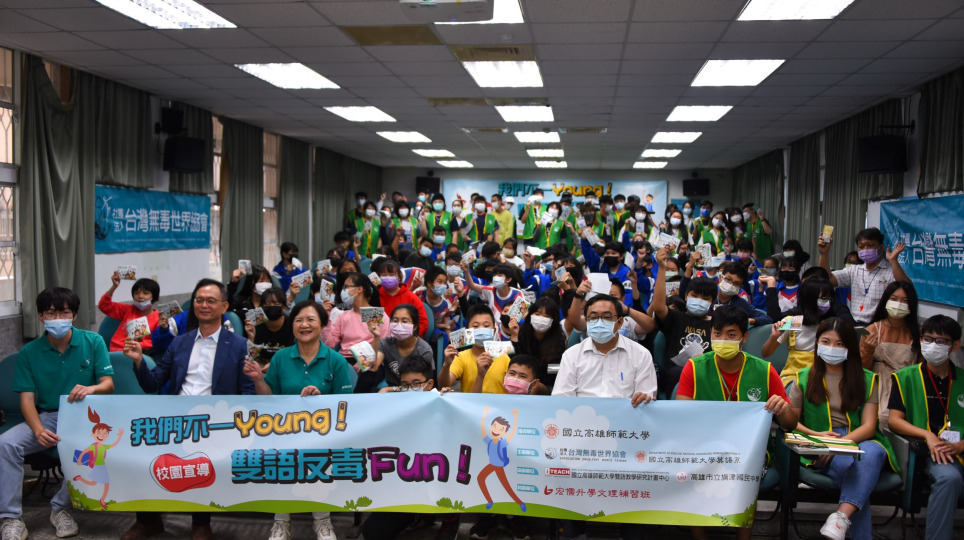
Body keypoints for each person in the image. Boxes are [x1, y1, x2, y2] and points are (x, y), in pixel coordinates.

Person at [122, 279, 254, 540]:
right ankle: (148, 520)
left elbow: (247, 391)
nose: (204, 305)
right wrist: (138, 361)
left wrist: (235, 425)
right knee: (139, 451)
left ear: (224, 306)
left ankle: (200, 523)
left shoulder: (238, 344)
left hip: (214, 422)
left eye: (211, 301)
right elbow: (153, 383)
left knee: (200, 459)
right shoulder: (179, 342)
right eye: (199, 300)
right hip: (175, 418)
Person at [0, 288, 114, 540]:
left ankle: (60, 508)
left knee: (96, 451)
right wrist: (38, 430)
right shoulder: (29, 353)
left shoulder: (93, 342)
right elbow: (26, 399)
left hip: (85, 418)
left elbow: (108, 384)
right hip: (49, 417)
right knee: (6, 444)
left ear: (74, 315)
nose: (58, 319)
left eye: (64, 313)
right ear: (41, 317)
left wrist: (91, 388)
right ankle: (10, 518)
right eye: (51, 313)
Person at [675, 304, 797, 540]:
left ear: (744, 337)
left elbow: (790, 423)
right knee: (691, 467)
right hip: (703, 448)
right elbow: (681, 414)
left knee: (745, 471)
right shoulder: (694, 367)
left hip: (750, 452)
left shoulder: (764, 370)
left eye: (731, 334)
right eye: (717, 333)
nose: (723, 340)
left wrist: (783, 408)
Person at [243, 300, 351, 540]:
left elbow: (346, 405)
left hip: (324, 433)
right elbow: (268, 400)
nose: (304, 325)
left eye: (311, 320)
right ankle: (281, 521)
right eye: (299, 320)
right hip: (284, 432)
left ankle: (322, 519)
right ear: (292, 326)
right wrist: (258, 379)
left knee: (319, 457)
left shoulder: (336, 360)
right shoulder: (281, 358)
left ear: (323, 324)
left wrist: (321, 400)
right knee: (281, 457)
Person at [551, 293, 656, 540]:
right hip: (581, 441)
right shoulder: (572, 355)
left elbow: (647, 398)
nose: (599, 322)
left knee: (638, 483)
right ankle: (575, 533)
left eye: (607, 317)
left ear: (619, 322)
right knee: (568, 479)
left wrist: (645, 398)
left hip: (626, 440)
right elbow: (562, 402)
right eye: (593, 317)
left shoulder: (640, 354)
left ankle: (630, 534)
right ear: (586, 321)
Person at [789, 318, 896, 540]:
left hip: (860, 439)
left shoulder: (867, 379)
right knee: (852, 468)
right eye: (826, 342)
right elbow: (791, 422)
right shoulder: (803, 377)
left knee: (873, 453)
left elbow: (869, 426)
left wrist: (840, 444)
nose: (832, 348)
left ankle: (840, 517)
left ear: (850, 347)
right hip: (821, 440)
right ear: (817, 343)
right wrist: (819, 438)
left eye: (840, 344)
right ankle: (845, 524)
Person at [888, 315, 963, 540]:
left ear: (955, 345)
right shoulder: (905, 377)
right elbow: (894, 420)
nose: (933, 345)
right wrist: (927, 435)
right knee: (949, 478)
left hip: (959, 448)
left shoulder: (962, 379)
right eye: (928, 339)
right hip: (932, 452)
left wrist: (961, 445)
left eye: (941, 341)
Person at [652, 245, 717, 397]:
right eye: (695, 295)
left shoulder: (717, 324)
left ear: (712, 303)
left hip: (707, 375)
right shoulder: (676, 317)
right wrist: (661, 268)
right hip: (676, 375)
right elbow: (659, 307)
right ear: (686, 296)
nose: (699, 300)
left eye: (705, 298)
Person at [860, 281, 920, 426]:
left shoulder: (918, 332)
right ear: (886, 300)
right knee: (881, 418)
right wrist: (868, 350)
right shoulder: (873, 330)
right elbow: (863, 370)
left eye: (905, 301)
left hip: (907, 384)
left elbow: (921, 366)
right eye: (894, 299)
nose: (898, 304)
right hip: (879, 386)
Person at [818, 227, 908, 324]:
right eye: (861, 247)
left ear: (881, 247)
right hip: (854, 325)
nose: (865, 249)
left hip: (877, 326)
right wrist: (824, 253)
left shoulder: (890, 271)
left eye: (870, 245)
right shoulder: (854, 270)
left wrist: (893, 261)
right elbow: (828, 279)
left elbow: (906, 287)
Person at [762, 278, 838, 384]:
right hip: (793, 377)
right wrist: (774, 337)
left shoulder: (831, 324)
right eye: (823, 298)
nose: (827, 303)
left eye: (829, 299)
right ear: (809, 299)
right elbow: (766, 353)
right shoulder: (794, 322)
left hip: (822, 377)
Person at [322, 273, 389, 392]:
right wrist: (326, 319)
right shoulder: (344, 316)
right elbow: (330, 344)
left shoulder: (377, 314)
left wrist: (364, 358)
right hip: (345, 359)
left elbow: (383, 344)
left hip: (371, 360)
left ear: (359, 289)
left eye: (346, 287)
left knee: (365, 379)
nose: (343, 291)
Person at [439, 305, 513, 393]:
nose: (481, 329)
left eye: (486, 326)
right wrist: (446, 365)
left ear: (493, 331)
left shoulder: (504, 357)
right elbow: (443, 385)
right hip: (470, 402)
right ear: (468, 332)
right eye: (475, 326)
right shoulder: (461, 357)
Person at [508, 297, 566, 392]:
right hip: (520, 379)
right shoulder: (522, 332)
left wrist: (534, 382)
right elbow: (513, 361)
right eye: (537, 314)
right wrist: (514, 336)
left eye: (547, 316)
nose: (541, 318)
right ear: (531, 315)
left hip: (546, 385)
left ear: (553, 319)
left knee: (535, 387)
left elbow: (554, 372)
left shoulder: (559, 340)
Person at [98, 272, 160, 352]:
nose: (140, 296)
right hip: (116, 351)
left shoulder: (158, 318)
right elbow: (103, 306)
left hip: (138, 353)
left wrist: (139, 344)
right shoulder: (128, 310)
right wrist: (114, 286)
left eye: (146, 293)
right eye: (136, 293)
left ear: (154, 296)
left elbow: (158, 341)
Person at [376, 304, 434, 388]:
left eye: (405, 321)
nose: (399, 325)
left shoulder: (424, 350)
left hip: (414, 390)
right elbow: (374, 367)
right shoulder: (385, 343)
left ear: (414, 327)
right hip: (392, 389)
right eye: (395, 321)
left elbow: (423, 383)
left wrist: (392, 390)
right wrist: (376, 336)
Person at [243, 287, 294, 370]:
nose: (271, 306)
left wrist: (274, 364)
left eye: (276, 303)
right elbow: (251, 358)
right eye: (267, 303)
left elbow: (293, 354)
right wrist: (251, 338)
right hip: (261, 365)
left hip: (285, 364)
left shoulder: (292, 325)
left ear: (284, 308)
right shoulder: (255, 325)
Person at [376, 260, 429, 338]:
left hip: (407, 340)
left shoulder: (411, 297)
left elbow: (423, 323)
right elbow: (369, 323)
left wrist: (409, 337)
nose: (387, 277)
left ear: (399, 278)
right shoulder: (374, 297)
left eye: (391, 275)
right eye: (384, 275)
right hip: (380, 339)